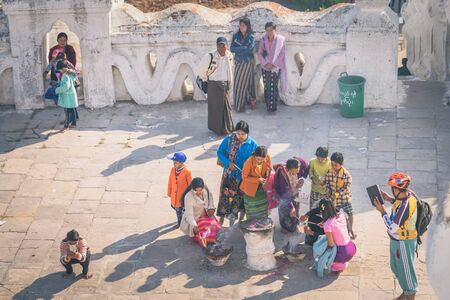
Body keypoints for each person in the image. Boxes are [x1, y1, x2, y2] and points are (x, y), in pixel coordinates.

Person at [374, 172, 418, 300]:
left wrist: (382, 211)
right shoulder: (407, 195)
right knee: (397, 269)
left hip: (404, 242)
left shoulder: (406, 205)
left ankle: (409, 294)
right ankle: (405, 293)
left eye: (392, 188)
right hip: (397, 241)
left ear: (397, 189)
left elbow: (392, 227)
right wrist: (389, 199)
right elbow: (398, 206)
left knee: (408, 276)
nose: (391, 191)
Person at [217, 120, 258, 223]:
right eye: (238, 133)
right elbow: (220, 152)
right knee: (225, 197)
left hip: (244, 177)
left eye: (242, 134)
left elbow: (257, 160)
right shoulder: (229, 139)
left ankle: (239, 219)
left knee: (240, 198)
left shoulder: (253, 145)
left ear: (247, 133)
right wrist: (228, 163)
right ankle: (222, 218)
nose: (239, 136)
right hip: (229, 175)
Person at [198, 37, 234, 135]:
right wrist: (207, 80)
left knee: (226, 107)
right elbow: (201, 71)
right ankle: (216, 129)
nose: (221, 47)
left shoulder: (229, 56)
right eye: (219, 45)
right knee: (215, 108)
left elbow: (230, 70)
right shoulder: (210, 56)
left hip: (225, 84)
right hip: (214, 84)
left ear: (227, 46)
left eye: (223, 45)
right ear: (216, 46)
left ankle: (227, 128)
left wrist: (230, 82)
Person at [180, 178, 221, 248]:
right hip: (195, 219)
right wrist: (194, 225)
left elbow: (210, 202)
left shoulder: (206, 191)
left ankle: (211, 241)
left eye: (200, 190)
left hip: (206, 215)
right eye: (196, 191)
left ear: (203, 188)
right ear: (192, 189)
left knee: (215, 226)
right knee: (202, 231)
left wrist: (211, 208)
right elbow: (189, 215)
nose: (199, 192)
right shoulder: (188, 197)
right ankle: (205, 242)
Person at [319, 198, 356, 273]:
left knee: (321, 246)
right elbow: (337, 225)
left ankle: (337, 266)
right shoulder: (342, 215)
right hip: (351, 248)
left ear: (322, 211)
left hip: (343, 254)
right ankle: (342, 262)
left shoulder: (327, 224)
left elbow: (331, 244)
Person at [324, 152, 356, 239]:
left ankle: (350, 230)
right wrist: (328, 192)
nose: (333, 167)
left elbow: (346, 188)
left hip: (344, 198)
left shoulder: (346, 175)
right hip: (333, 200)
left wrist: (337, 194)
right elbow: (326, 184)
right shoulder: (329, 172)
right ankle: (338, 231)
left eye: (336, 165)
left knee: (350, 213)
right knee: (334, 216)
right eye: (332, 164)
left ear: (342, 164)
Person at [257, 22, 287, 113]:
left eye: (271, 30)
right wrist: (266, 63)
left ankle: (273, 107)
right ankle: (268, 105)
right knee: (267, 86)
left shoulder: (280, 40)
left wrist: (274, 64)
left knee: (273, 86)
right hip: (265, 67)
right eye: (267, 30)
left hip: (276, 67)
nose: (269, 32)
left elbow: (282, 54)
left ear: (275, 30)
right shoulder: (263, 40)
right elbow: (260, 53)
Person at [230, 18, 256, 112]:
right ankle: (240, 106)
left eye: (243, 25)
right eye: (240, 25)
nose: (241, 27)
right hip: (238, 62)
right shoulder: (235, 36)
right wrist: (243, 48)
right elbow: (232, 49)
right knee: (238, 84)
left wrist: (239, 49)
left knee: (249, 83)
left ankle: (252, 101)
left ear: (247, 26)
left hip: (247, 63)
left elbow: (250, 49)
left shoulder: (251, 37)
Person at [240, 146, 272, 220]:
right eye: (258, 159)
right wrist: (258, 180)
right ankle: (251, 222)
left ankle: (263, 220)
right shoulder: (248, 162)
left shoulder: (267, 157)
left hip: (262, 186)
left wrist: (267, 178)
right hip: (250, 188)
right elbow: (244, 177)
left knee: (263, 206)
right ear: (254, 156)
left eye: (262, 159)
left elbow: (269, 169)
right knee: (252, 208)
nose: (260, 161)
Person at [274, 158, 305, 232]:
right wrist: (291, 206)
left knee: (296, 211)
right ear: (291, 168)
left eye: (299, 167)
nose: (299, 170)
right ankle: (284, 227)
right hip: (284, 197)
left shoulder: (295, 171)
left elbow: (304, 169)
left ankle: (295, 224)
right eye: (297, 168)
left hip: (294, 194)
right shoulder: (283, 175)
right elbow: (285, 193)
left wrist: (299, 184)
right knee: (284, 212)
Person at [167, 152, 192, 228]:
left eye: (176, 162)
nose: (174, 163)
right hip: (174, 196)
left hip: (183, 197)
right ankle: (182, 219)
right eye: (173, 161)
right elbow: (170, 181)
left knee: (180, 211)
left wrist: (190, 196)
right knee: (175, 208)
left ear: (181, 163)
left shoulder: (187, 172)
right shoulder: (172, 170)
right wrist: (169, 192)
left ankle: (181, 223)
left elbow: (190, 185)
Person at [55, 61, 78, 131]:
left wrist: (57, 90)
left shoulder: (65, 75)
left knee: (67, 111)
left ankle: (66, 126)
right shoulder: (70, 73)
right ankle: (74, 123)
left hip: (67, 96)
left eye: (59, 70)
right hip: (71, 94)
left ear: (62, 69)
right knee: (72, 109)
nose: (59, 71)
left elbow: (66, 86)